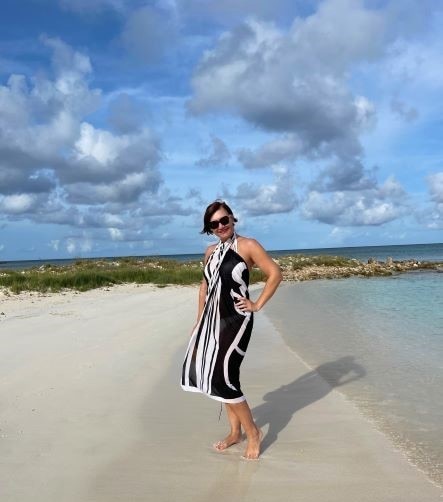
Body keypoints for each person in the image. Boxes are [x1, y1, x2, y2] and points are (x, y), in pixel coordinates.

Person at [181, 200, 282, 460]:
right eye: (214, 224)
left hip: (237, 321)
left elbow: (275, 274)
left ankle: (253, 433)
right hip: (212, 321)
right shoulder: (210, 252)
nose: (220, 226)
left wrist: (256, 304)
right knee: (217, 379)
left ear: (233, 219)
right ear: (209, 228)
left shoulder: (248, 245)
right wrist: (199, 318)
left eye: (224, 220)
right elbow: (204, 287)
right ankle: (235, 432)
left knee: (223, 378)